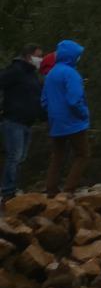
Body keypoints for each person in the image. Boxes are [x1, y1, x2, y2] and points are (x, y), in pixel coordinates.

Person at [41, 39, 90, 197]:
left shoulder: (51, 74)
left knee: (57, 156)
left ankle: (51, 190)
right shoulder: (71, 73)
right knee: (82, 154)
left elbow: (44, 100)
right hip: (74, 122)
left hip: (55, 122)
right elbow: (74, 100)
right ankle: (69, 190)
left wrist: (53, 113)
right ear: (72, 56)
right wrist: (84, 113)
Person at [0, 44, 46, 200]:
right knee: (14, 156)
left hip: (28, 123)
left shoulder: (32, 75)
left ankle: (12, 188)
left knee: (20, 158)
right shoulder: (15, 70)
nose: (40, 59)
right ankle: (7, 191)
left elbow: (36, 99)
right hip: (13, 121)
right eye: (38, 56)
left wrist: (43, 116)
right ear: (28, 56)